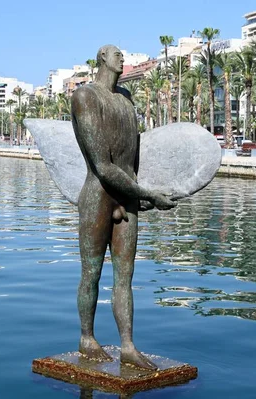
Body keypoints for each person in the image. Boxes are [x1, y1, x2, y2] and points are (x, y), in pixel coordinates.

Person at [71, 45, 177, 370]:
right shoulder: (85, 96)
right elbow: (103, 166)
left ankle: (127, 345)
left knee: (124, 278)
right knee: (91, 273)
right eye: (117, 53)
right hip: (98, 196)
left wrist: (139, 194)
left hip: (127, 197)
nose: (122, 58)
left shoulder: (127, 99)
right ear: (102, 57)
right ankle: (87, 338)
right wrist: (147, 192)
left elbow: (133, 154)